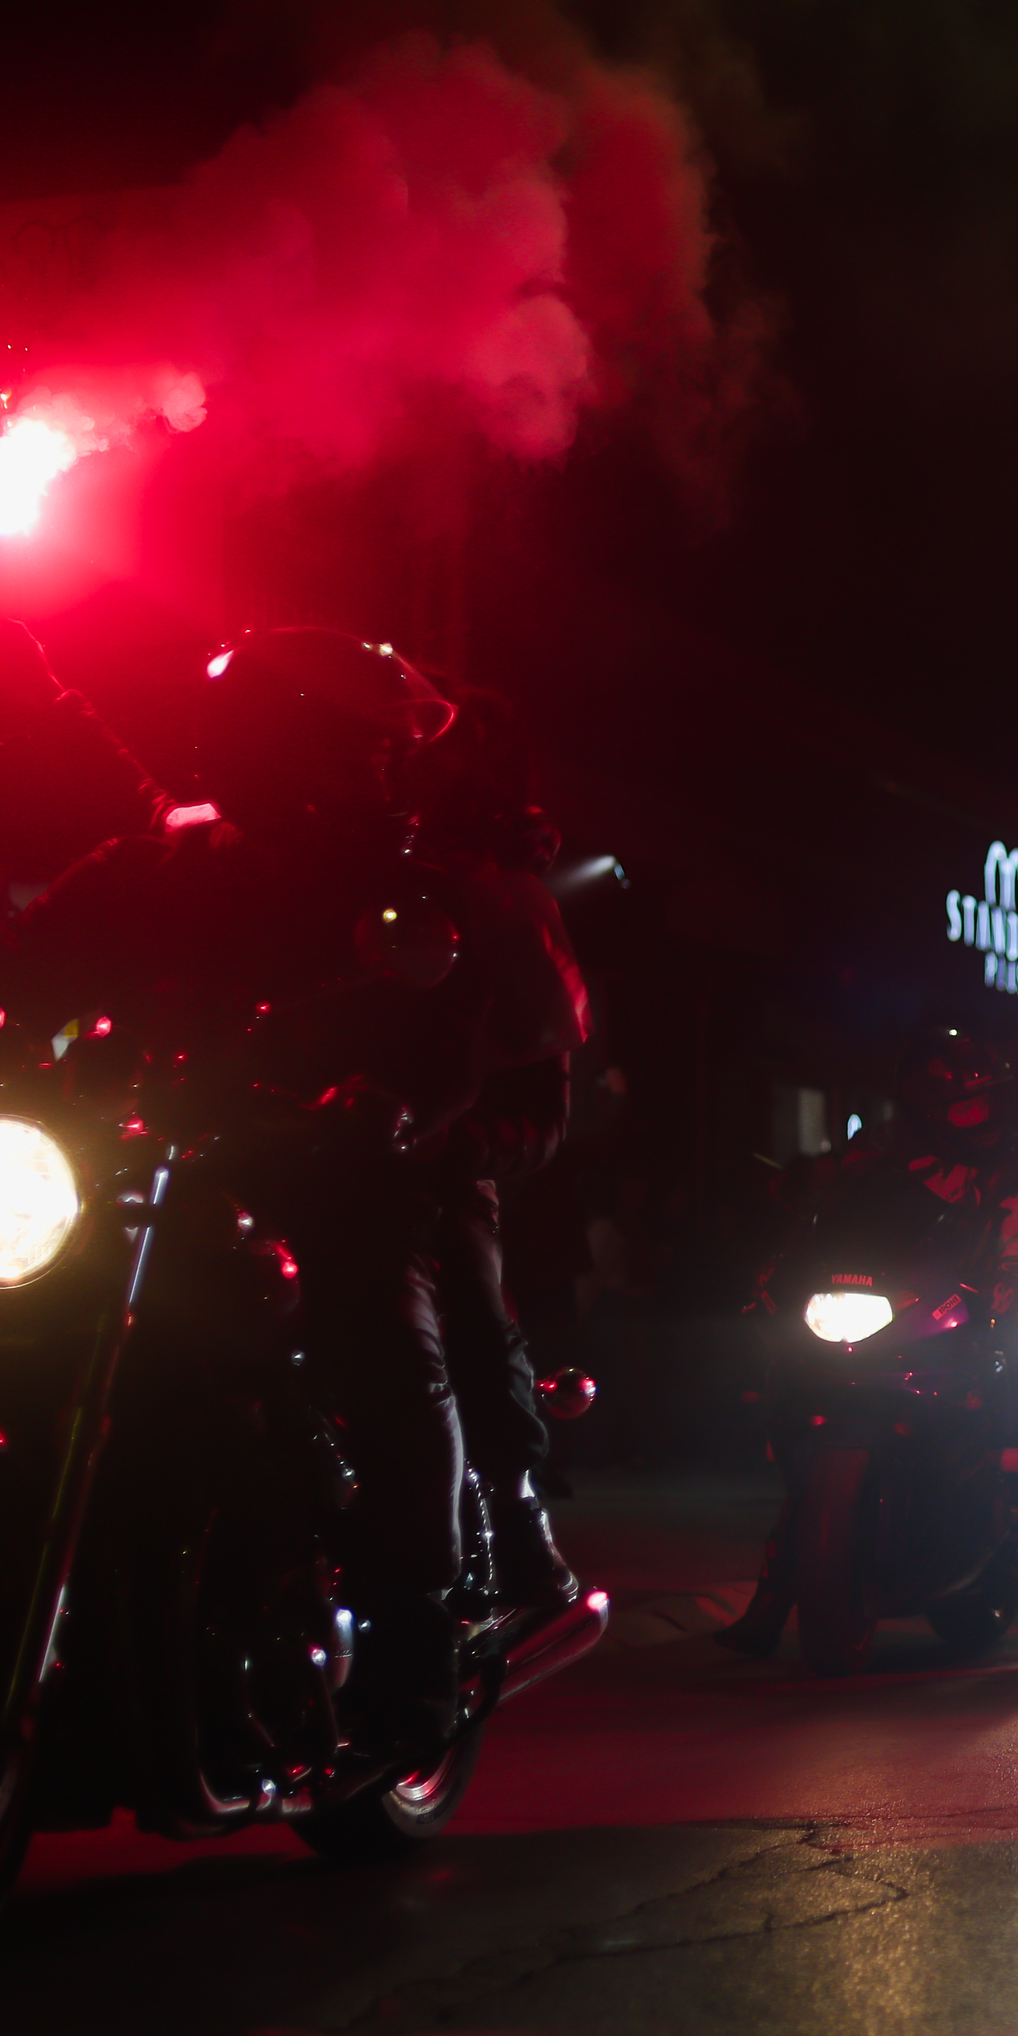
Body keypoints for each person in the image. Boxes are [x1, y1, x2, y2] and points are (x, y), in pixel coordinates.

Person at [0, 627, 561, 1756]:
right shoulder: (160, 865)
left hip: (344, 1185)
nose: (375, 774)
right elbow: (17, 967)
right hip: (159, 1174)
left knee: (386, 1351)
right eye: (357, 752)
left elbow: (488, 1045)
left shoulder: (424, 893)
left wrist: (408, 1119)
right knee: (16, 1307)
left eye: (376, 755)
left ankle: (417, 1645)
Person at [717, 1031, 1018, 1656]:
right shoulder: (875, 1154)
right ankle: (769, 1606)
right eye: (968, 1106)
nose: (982, 1117)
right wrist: (776, 1270)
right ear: (927, 1108)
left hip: (977, 1314)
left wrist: (1016, 1279)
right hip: (883, 1310)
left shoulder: (1008, 1166)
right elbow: (819, 1218)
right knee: (800, 1421)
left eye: (989, 1103)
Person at [405, 690, 594, 1615]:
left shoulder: (480, 894)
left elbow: (536, 1096)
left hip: (395, 1173)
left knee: (460, 1322)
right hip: (222, 1163)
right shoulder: (211, 861)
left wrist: (451, 1137)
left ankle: (510, 1521)